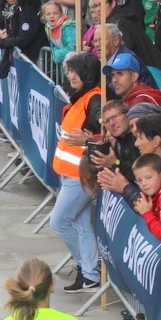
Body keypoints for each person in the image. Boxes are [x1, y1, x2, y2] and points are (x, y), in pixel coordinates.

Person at [50, 52, 103, 293]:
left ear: (88, 73)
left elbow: (101, 124)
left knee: (59, 222)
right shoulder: (83, 95)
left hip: (80, 176)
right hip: (70, 173)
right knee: (82, 226)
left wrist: (92, 136)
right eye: (69, 70)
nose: (70, 75)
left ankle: (85, 266)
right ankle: (90, 275)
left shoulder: (94, 100)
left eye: (75, 70)